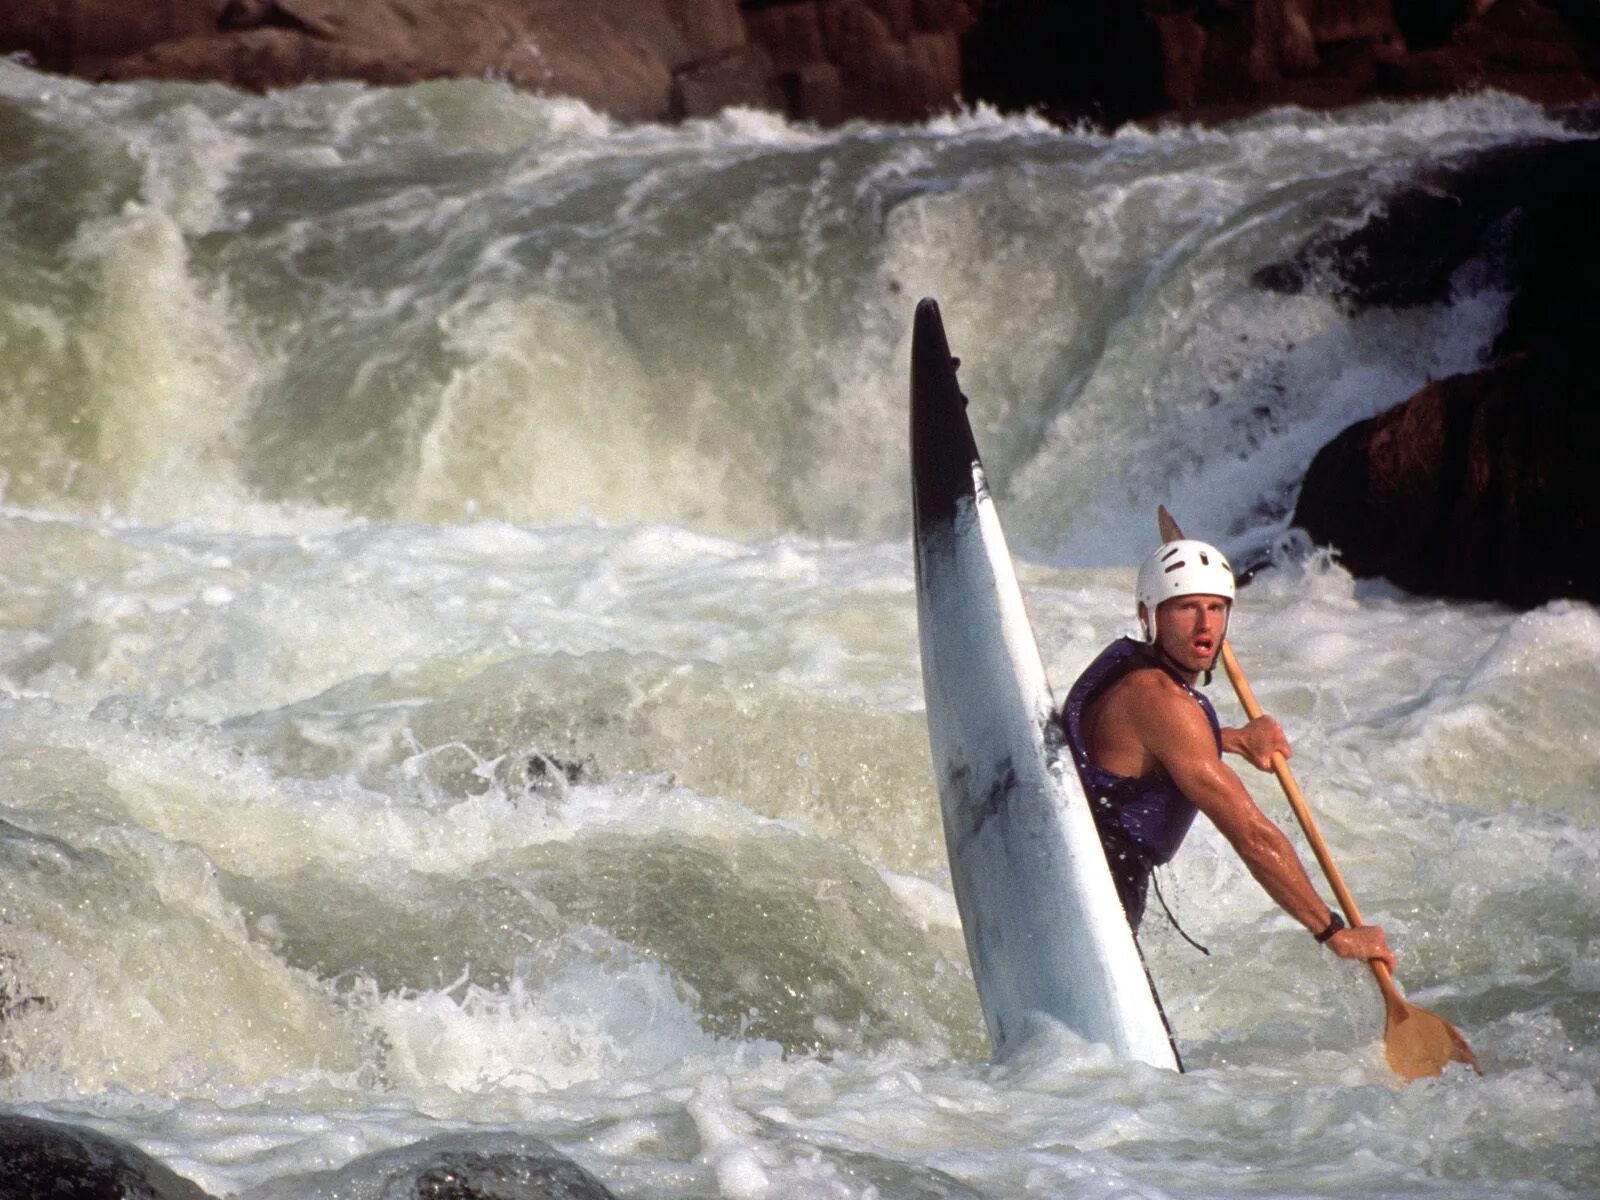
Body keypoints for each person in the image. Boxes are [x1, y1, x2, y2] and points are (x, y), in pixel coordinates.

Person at [1059, 538, 1396, 969]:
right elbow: (1253, 837)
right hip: (1103, 891)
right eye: (1186, 608)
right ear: (1149, 615)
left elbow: (1145, 745)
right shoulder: (1165, 703)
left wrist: (1232, 737)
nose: (1205, 626)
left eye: (1216, 608)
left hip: (1073, 855)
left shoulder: (1125, 666)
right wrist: (1334, 932)